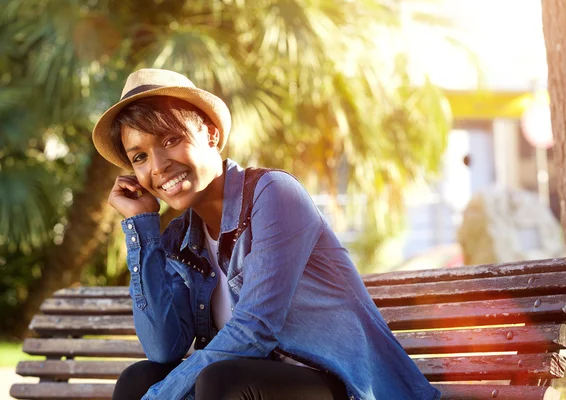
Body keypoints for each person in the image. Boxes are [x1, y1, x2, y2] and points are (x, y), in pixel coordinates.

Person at [92, 68, 440, 400]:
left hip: (350, 387)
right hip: (262, 386)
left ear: (211, 135)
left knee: (221, 381)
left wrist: (159, 398)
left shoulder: (274, 193)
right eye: (140, 157)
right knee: (138, 379)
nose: (157, 166)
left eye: (171, 139)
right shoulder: (181, 238)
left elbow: (254, 329)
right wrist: (142, 229)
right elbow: (163, 348)